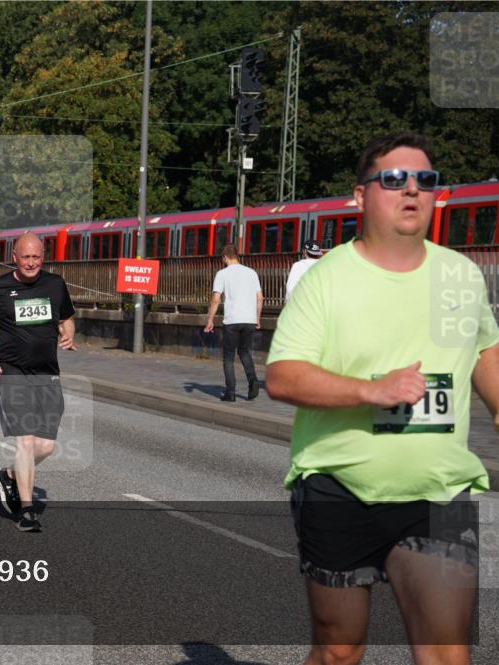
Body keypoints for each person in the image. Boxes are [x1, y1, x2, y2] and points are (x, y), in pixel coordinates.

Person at [266, 133, 499, 665]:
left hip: (439, 492)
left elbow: (486, 348)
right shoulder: (327, 280)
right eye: (394, 179)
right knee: (340, 651)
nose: (412, 190)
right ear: (360, 195)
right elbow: (283, 376)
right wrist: (371, 391)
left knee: (447, 654)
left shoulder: (459, 274)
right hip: (341, 487)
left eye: (426, 181)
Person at [0, 232, 76, 532]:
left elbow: (67, 317)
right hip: (12, 372)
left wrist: (68, 331)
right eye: (25, 257)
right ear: (14, 257)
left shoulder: (55, 284)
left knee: (46, 446)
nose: (31, 262)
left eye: (36, 257)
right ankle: (27, 510)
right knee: (27, 440)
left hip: (47, 373)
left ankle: (8, 476)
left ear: (43, 257)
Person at [203, 244, 262, 402]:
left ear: (224, 257)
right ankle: (253, 381)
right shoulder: (252, 273)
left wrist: (210, 320)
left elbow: (216, 299)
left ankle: (230, 393)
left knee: (228, 357)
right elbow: (260, 298)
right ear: (237, 255)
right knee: (244, 353)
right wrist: (257, 318)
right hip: (249, 320)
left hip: (232, 321)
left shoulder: (222, 274)